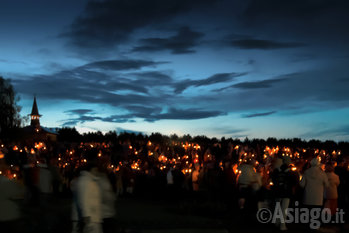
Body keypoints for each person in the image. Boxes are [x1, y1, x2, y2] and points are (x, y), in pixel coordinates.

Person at [73, 150, 102, 233]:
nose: (97, 171)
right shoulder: (85, 181)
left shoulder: (92, 180)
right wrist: (86, 216)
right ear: (91, 169)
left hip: (95, 218)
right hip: (91, 219)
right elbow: (84, 200)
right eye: (96, 169)